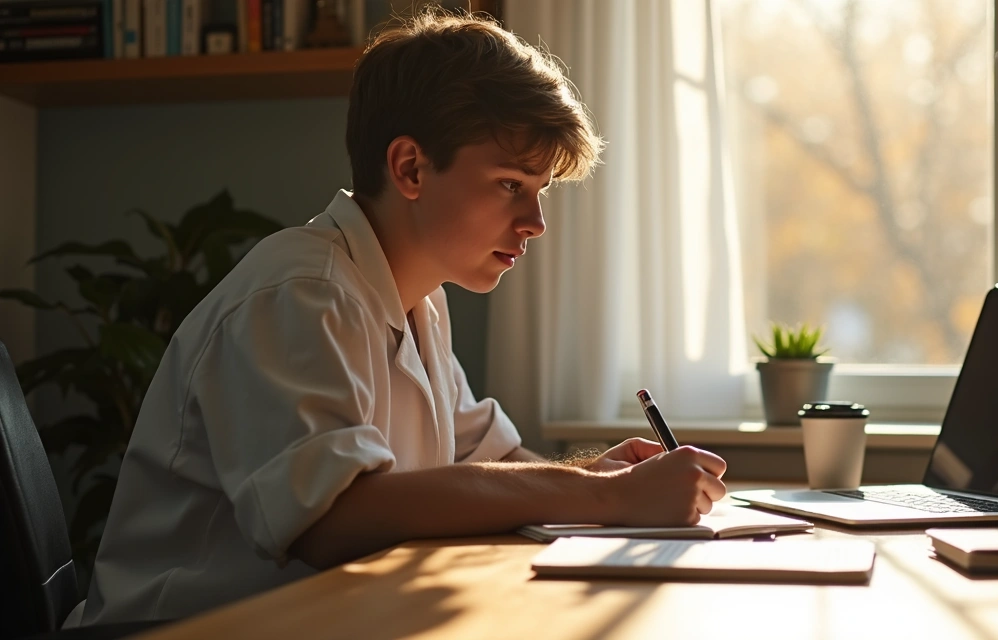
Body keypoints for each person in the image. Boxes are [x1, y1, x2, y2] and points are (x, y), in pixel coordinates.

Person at [71, 10, 727, 626]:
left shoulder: (415, 298)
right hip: (191, 629)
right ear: (411, 167)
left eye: (539, 192)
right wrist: (607, 500)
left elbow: (488, 464)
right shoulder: (303, 292)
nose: (535, 224)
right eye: (509, 185)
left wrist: (604, 476)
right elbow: (333, 519)